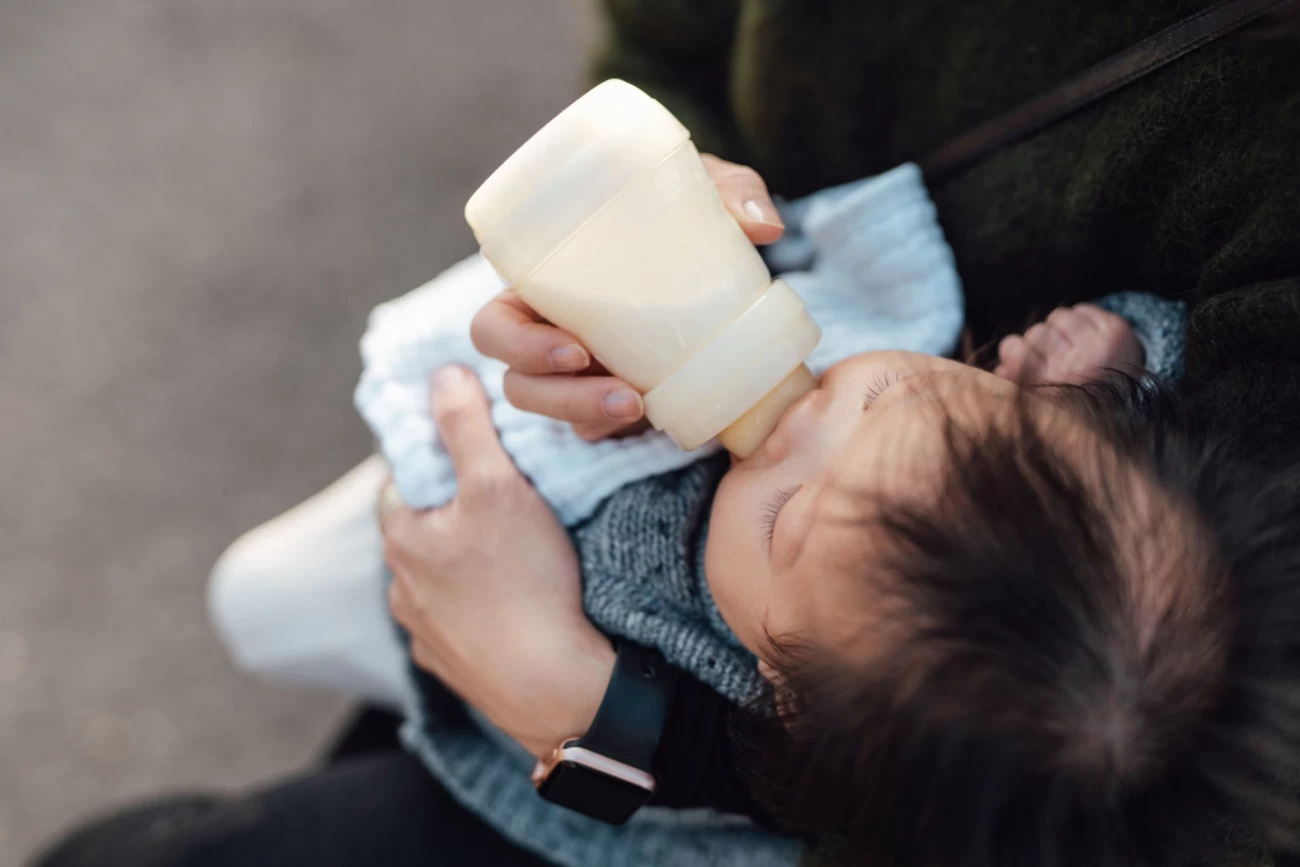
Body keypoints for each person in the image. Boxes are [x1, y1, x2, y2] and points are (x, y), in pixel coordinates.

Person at [40, 1, 1298, 865]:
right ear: (1029, 393)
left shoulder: (685, 642)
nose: (799, 424)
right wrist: (657, 186)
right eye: (891, 396)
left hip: (577, 731)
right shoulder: (1079, 432)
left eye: (787, 517)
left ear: (778, 700)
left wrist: (625, 727)